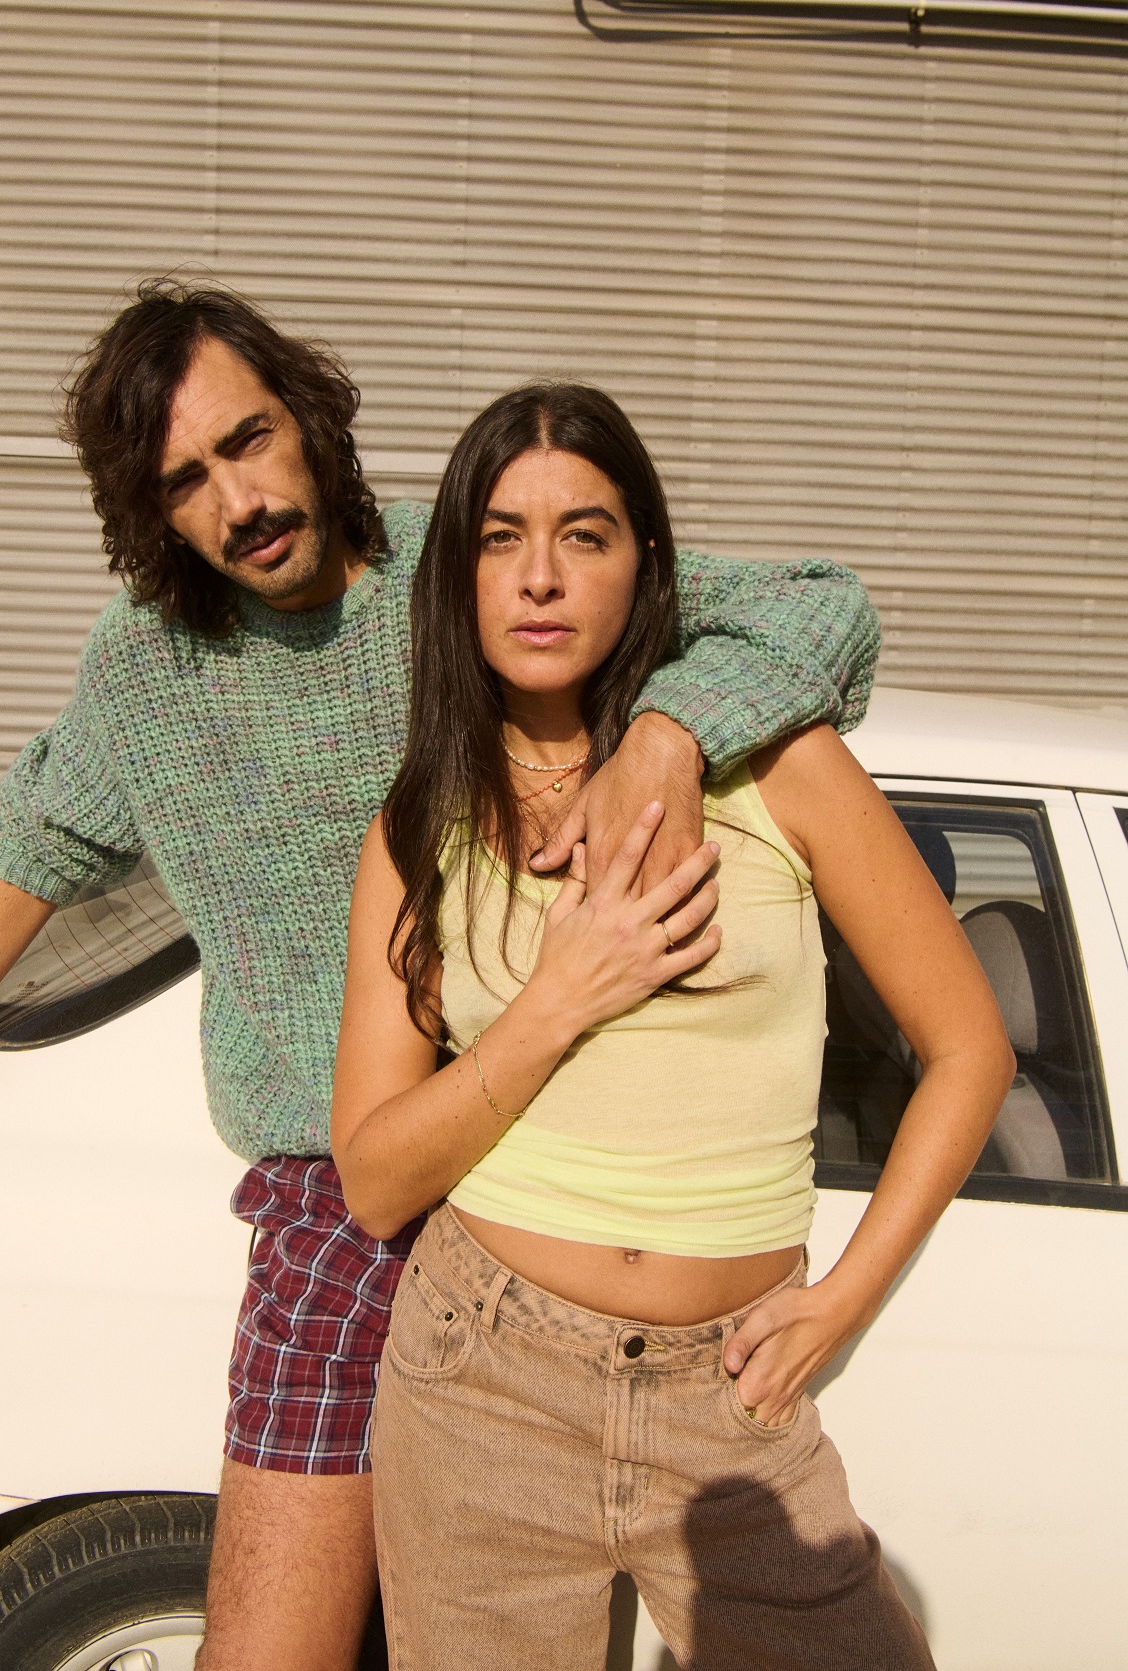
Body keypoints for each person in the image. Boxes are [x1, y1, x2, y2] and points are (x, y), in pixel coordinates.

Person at [0, 284, 882, 1671]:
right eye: (185, 479)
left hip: (548, 1173)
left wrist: (667, 729)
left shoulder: (458, 572)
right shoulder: (146, 666)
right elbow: (46, 835)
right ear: (153, 511)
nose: (237, 499)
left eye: (248, 440)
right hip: (337, 1200)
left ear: (307, 418)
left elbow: (816, 608)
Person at [331, 383, 1014, 1670]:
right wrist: (557, 998)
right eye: (498, 538)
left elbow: (969, 1047)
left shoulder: (776, 766)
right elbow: (371, 1179)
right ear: (456, 576)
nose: (539, 577)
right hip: (479, 1380)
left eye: (583, 535)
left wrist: (841, 1299)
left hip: (729, 1395)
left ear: (647, 563)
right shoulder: (416, 826)